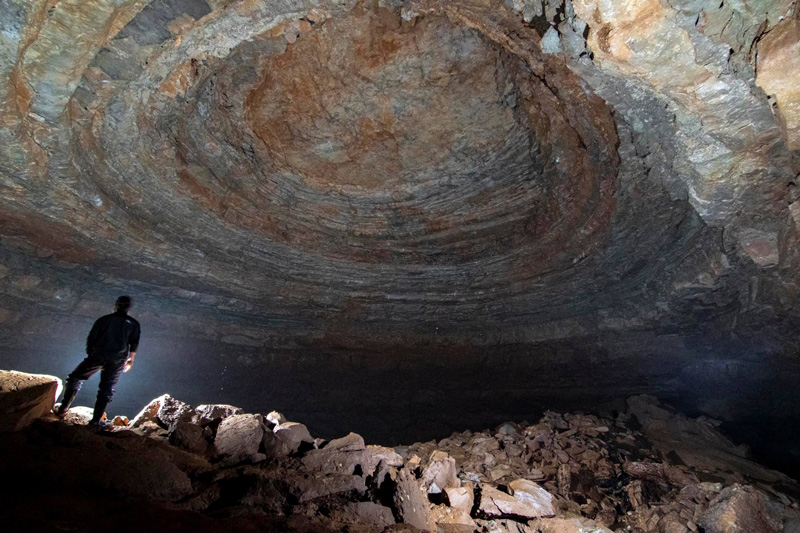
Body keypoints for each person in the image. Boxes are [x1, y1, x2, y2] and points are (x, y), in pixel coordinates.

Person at [54, 295, 141, 426]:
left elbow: (92, 337)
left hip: (99, 355)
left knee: (75, 378)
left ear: (116, 305)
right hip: (117, 359)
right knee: (107, 389)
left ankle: (63, 409)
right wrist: (130, 360)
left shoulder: (103, 320)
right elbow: (133, 343)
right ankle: (95, 421)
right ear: (129, 308)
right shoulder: (133, 324)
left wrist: (91, 353)